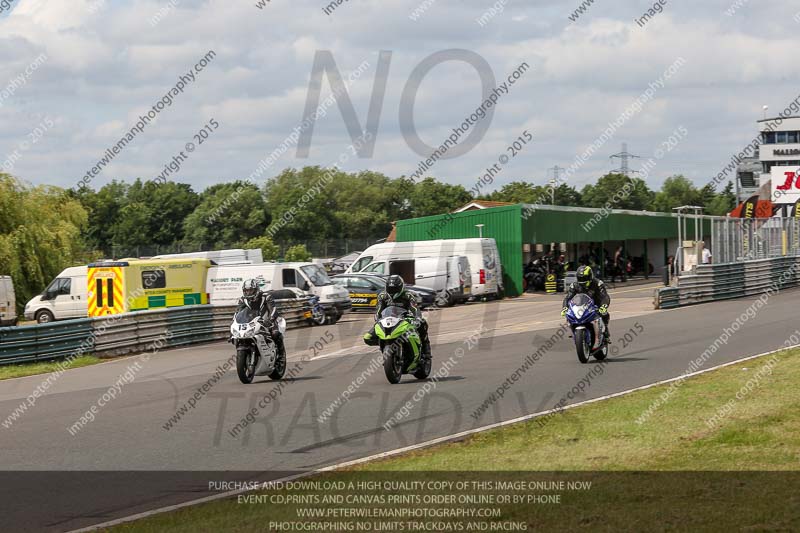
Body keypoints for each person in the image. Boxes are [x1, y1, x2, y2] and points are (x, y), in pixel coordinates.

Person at [363, 275, 431, 359]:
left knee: (423, 323)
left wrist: (417, 318)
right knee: (367, 337)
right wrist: (377, 318)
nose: (392, 291)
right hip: (386, 320)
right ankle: (385, 345)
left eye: (395, 289)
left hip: (404, 319)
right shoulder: (382, 296)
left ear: (401, 287)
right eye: (390, 289)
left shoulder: (408, 295)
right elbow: (379, 310)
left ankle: (426, 348)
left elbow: (414, 308)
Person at [236, 279, 286, 358]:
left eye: (250, 290)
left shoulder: (266, 297)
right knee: (239, 337)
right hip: (252, 323)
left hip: (267, 321)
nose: (248, 293)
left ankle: (280, 355)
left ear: (256, 289)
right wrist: (234, 324)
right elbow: (238, 313)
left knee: (275, 333)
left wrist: (270, 320)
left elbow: (273, 310)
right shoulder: (242, 300)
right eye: (246, 291)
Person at [561, 265, 611, 342]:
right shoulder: (574, 286)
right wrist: (565, 307)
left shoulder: (598, 283)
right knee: (568, 315)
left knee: (605, 314)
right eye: (580, 279)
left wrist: (604, 306)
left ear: (590, 276)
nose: (582, 281)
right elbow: (568, 298)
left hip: (596, 306)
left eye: (584, 279)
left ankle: (605, 330)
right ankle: (574, 330)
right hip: (580, 306)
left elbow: (605, 296)